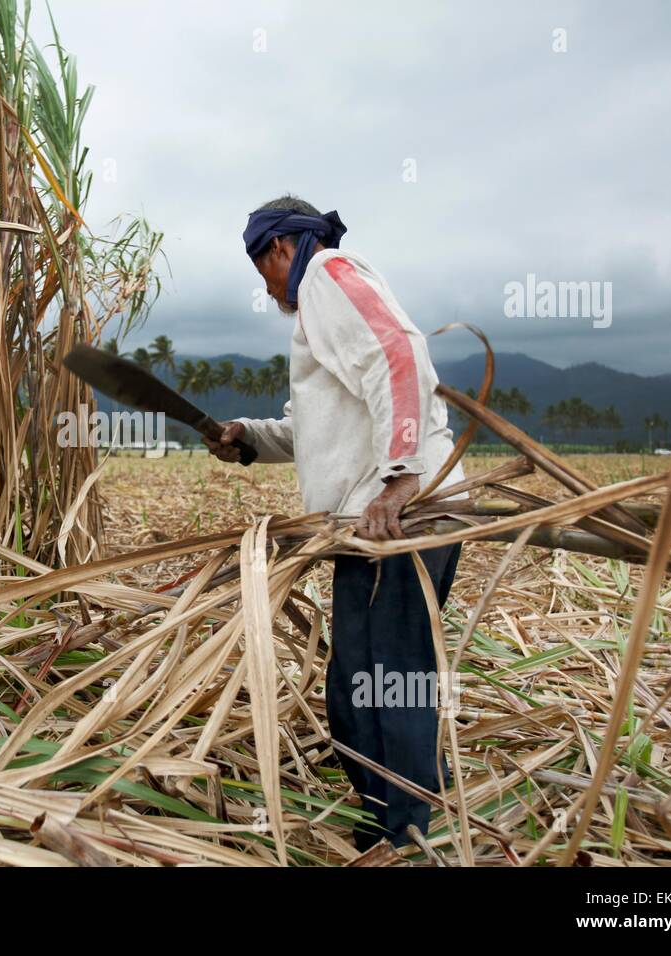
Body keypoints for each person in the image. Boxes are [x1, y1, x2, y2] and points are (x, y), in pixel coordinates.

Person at [204, 194, 465, 849]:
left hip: (399, 522)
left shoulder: (329, 276)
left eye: (261, 272)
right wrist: (249, 437)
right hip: (366, 528)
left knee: (387, 682)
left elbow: (399, 354)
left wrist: (401, 476)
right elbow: (313, 428)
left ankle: (403, 837)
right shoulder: (318, 309)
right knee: (358, 688)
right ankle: (387, 815)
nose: (266, 292)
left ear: (280, 250)